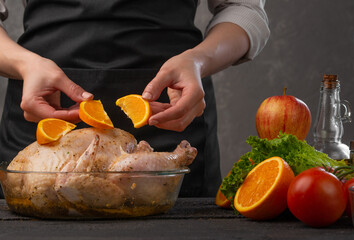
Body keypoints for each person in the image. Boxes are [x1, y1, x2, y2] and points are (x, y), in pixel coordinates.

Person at [0, 0, 270, 197]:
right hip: (44, 121)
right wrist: (25, 64)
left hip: (170, 116)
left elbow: (245, 10)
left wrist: (198, 61)